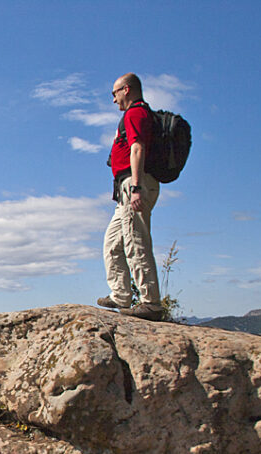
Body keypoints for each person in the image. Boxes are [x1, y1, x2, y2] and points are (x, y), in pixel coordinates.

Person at [97, 73, 163, 321]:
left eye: (114, 93)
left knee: (136, 242)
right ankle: (121, 295)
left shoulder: (136, 113)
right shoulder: (133, 115)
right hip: (126, 189)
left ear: (126, 89)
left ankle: (151, 303)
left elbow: (137, 148)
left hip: (135, 185)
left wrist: (136, 187)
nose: (114, 100)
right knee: (112, 243)